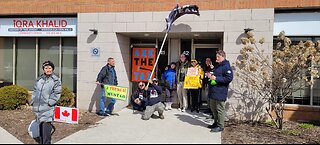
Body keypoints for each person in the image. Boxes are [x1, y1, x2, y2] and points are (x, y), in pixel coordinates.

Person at [31, 60, 61, 144]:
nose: (48, 69)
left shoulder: (55, 80)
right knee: (40, 123)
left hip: (48, 106)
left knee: (46, 124)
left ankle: (46, 142)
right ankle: (42, 141)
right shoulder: (39, 79)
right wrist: (33, 100)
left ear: (53, 69)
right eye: (46, 68)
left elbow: (57, 93)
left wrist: (50, 102)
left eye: (50, 68)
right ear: (43, 69)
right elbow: (35, 90)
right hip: (38, 106)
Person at [207, 50, 233, 132]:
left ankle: (221, 126)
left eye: (218, 57)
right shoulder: (218, 66)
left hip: (220, 91)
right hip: (213, 90)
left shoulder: (226, 66)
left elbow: (229, 78)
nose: (217, 58)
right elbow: (216, 74)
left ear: (223, 57)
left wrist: (216, 78)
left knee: (219, 109)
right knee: (213, 108)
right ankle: (216, 123)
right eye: (216, 56)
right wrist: (210, 75)